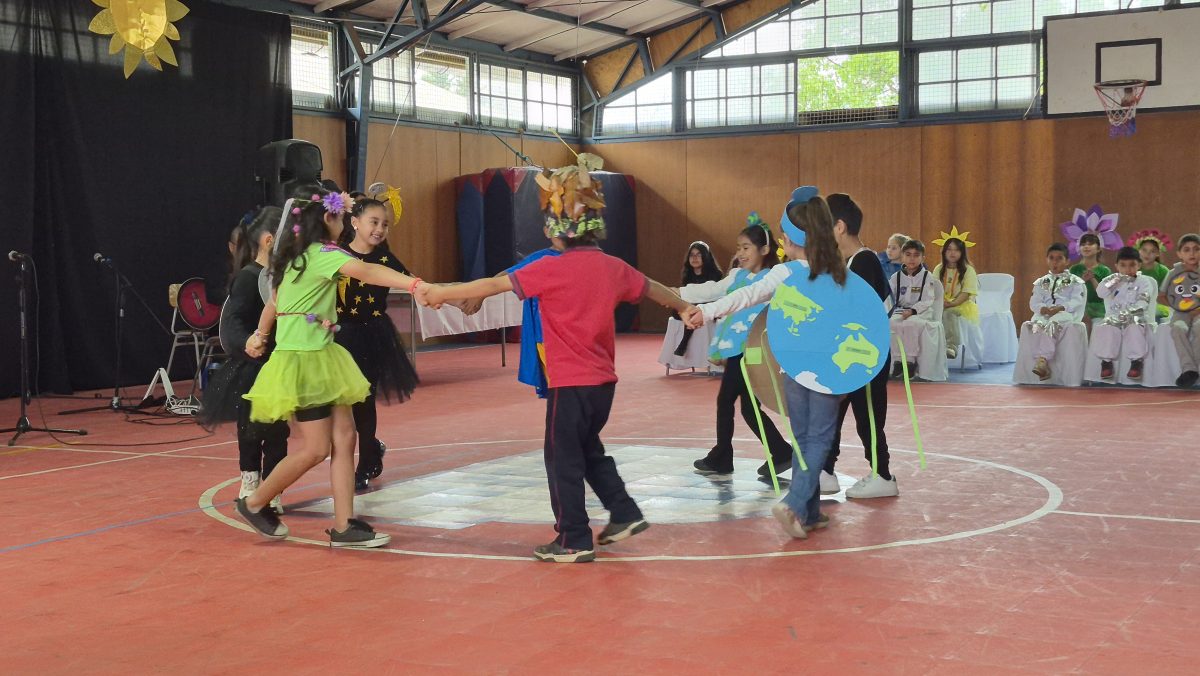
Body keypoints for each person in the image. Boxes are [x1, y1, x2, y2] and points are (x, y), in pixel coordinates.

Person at [418, 156, 697, 563]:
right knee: (588, 450)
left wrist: (441, 293)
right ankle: (622, 510)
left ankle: (572, 537)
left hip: (570, 383)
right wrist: (683, 306)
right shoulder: (612, 267)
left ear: (556, 229)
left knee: (561, 459)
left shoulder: (550, 269)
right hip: (603, 385)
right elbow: (651, 286)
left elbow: (495, 284)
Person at [234, 192, 424, 549]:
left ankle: (344, 524)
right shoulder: (324, 255)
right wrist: (414, 284)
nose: (341, 224)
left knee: (345, 437)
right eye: (339, 217)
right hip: (306, 363)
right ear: (328, 220)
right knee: (317, 448)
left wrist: (260, 336)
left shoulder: (293, 258)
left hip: (319, 354)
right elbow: (366, 271)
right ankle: (255, 502)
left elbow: (273, 305)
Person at [684, 187, 861, 538]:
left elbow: (744, 296)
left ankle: (809, 512)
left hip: (793, 365)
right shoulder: (838, 271)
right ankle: (795, 504)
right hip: (827, 367)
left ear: (787, 239)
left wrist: (704, 313)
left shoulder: (787, 273)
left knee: (803, 436)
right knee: (819, 438)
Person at [677, 216, 793, 479]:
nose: (740, 253)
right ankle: (778, 451)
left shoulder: (771, 279)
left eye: (746, 248)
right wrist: (679, 293)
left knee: (728, 400)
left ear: (764, 249)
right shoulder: (736, 276)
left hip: (752, 349)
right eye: (738, 247)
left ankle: (724, 455)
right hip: (736, 348)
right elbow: (712, 290)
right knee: (747, 406)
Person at [198, 207, 289, 514]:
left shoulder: (285, 278)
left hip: (280, 366)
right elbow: (232, 322)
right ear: (269, 240)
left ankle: (272, 488)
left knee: (278, 430)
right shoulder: (249, 278)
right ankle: (250, 481)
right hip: (252, 368)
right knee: (251, 429)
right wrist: (247, 341)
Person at [335, 198, 419, 491]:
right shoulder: (336, 256)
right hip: (338, 336)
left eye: (384, 224)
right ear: (354, 221)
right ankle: (364, 451)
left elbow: (412, 282)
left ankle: (366, 459)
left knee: (364, 399)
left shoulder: (385, 259)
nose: (380, 229)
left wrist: (439, 294)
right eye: (374, 221)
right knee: (342, 403)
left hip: (371, 336)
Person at [823, 193, 896, 499]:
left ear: (839, 227)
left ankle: (883, 475)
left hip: (866, 356)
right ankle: (825, 471)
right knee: (833, 414)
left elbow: (860, 314)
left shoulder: (863, 261)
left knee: (867, 417)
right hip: (851, 355)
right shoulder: (849, 262)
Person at [1091, 246, 1157, 380]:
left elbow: (1143, 301)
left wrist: (1129, 313)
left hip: (1134, 315)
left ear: (1139, 265)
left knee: (1134, 327)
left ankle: (1136, 361)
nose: (1128, 269)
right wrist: (1115, 281)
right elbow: (1100, 293)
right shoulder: (1112, 280)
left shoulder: (1144, 281)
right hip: (1114, 316)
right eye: (1123, 265)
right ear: (1116, 266)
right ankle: (1106, 362)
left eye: (1132, 265)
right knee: (1106, 327)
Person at [1028, 243, 1086, 381]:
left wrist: (1060, 307)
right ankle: (1042, 364)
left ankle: (1042, 360)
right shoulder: (1041, 282)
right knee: (1036, 325)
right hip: (1045, 312)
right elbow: (1034, 301)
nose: (1055, 262)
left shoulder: (1075, 281)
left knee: (1053, 323)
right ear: (1046, 260)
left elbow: (1077, 301)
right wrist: (1042, 308)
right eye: (1051, 258)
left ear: (1067, 261)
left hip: (1066, 313)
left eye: (1059, 258)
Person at [886, 239, 937, 380]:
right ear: (902, 256)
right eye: (908, 255)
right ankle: (897, 360)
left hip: (921, 312)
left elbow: (928, 299)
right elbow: (889, 297)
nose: (912, 258)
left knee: (911, 324)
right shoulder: (895, 277)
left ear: (923, 258)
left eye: (916, 255)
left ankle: (910, 361)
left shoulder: (928, 276)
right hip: (900, 311)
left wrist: (913, 311)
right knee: (892, 324)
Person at [672, 241, 723, 356]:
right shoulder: (687, 275)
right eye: (692, 255)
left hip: (707, 307)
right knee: (680, 309)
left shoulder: (716, 274)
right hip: (691, 307)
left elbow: (712, 296)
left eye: (698, 255)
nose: (694, 258)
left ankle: (684, 343)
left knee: (695, 309)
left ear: (705, 256)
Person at [1162, 233, 1200, 387]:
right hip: (1180, 313)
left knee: (1199, 327)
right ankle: (1189, 370)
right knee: (1178, 328)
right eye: (1187, 250)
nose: (1192, 253)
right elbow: (1163, 295)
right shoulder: (1173, 272)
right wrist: (1177, 307)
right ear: (1179, 254)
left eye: (1196, 249)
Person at [934, 237, 979, 360]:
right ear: (944, 252)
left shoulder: (968, 270)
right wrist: (940, 302)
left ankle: (951, 347)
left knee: (948, 313)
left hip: (961, 304)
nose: (952, 253)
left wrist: (951, 303)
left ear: (962, 253)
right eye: (949, 249)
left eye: (956, 250)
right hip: (941, 302)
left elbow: (966, 293)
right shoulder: (939, 268)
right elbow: (933, 289)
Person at [1130, 230, 1173, 321]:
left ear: (1157, 253)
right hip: (1136, 304)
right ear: (1138, 250)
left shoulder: (1163, 271)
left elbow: (1168, 293)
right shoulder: (1132, 269)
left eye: (1152, 251)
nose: (1147, 254)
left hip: (1158, 305)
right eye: (1144, 250)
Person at [1069, 233, 1112, 323]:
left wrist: (1092, 279)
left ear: (1098, 249)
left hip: (1099, 311)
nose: (1086, 247)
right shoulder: (1074, 269)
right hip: (1077, 308)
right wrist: (1082, 281)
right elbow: (1069, 292)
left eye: (1090, 244)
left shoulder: (1105, 271)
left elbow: (1106, 295)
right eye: (1083, 244)